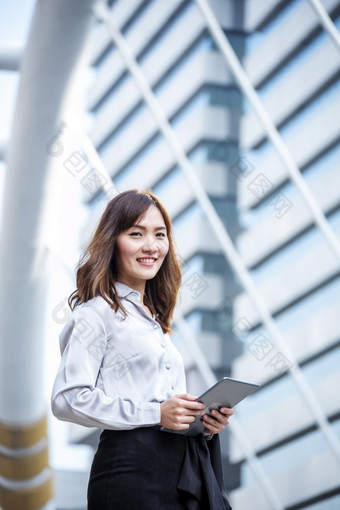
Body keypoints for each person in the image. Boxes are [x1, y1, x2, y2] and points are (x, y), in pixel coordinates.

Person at [51, 189, 233, 510]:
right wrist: (156, 413)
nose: (151, 245)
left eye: (159, 235)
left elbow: (167, 410)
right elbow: (67, 400)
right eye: (137, 233)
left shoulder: (156, 322)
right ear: (113, 241)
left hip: (179, 473)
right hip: (129, 472)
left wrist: (201, 424)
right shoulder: (95, 314)